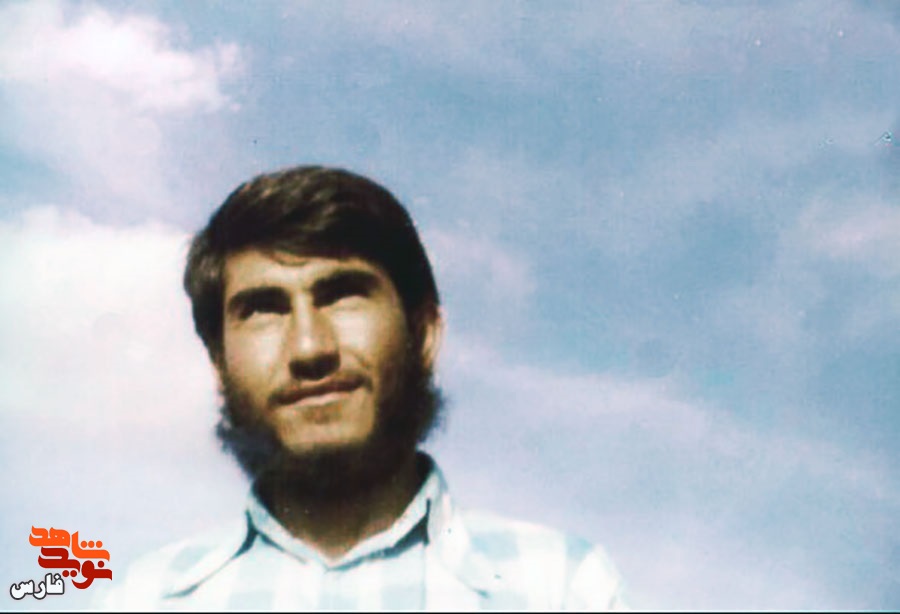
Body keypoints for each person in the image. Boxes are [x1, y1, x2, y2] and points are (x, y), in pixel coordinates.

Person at [101, 166, 629, 610]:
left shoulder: (561, 587)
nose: (309, 347)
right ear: (218, 362)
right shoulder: (143, 600)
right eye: (263, 309)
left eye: (343, 295)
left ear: (424, 333)